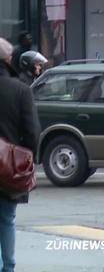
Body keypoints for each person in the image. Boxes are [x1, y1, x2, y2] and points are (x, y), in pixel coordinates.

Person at [0, 37, 41, 272]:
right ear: (8, 60)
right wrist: (27, 159)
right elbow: (33, 132)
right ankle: (9, 267)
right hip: (10, 168)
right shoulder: (21, 90)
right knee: (6, 219)